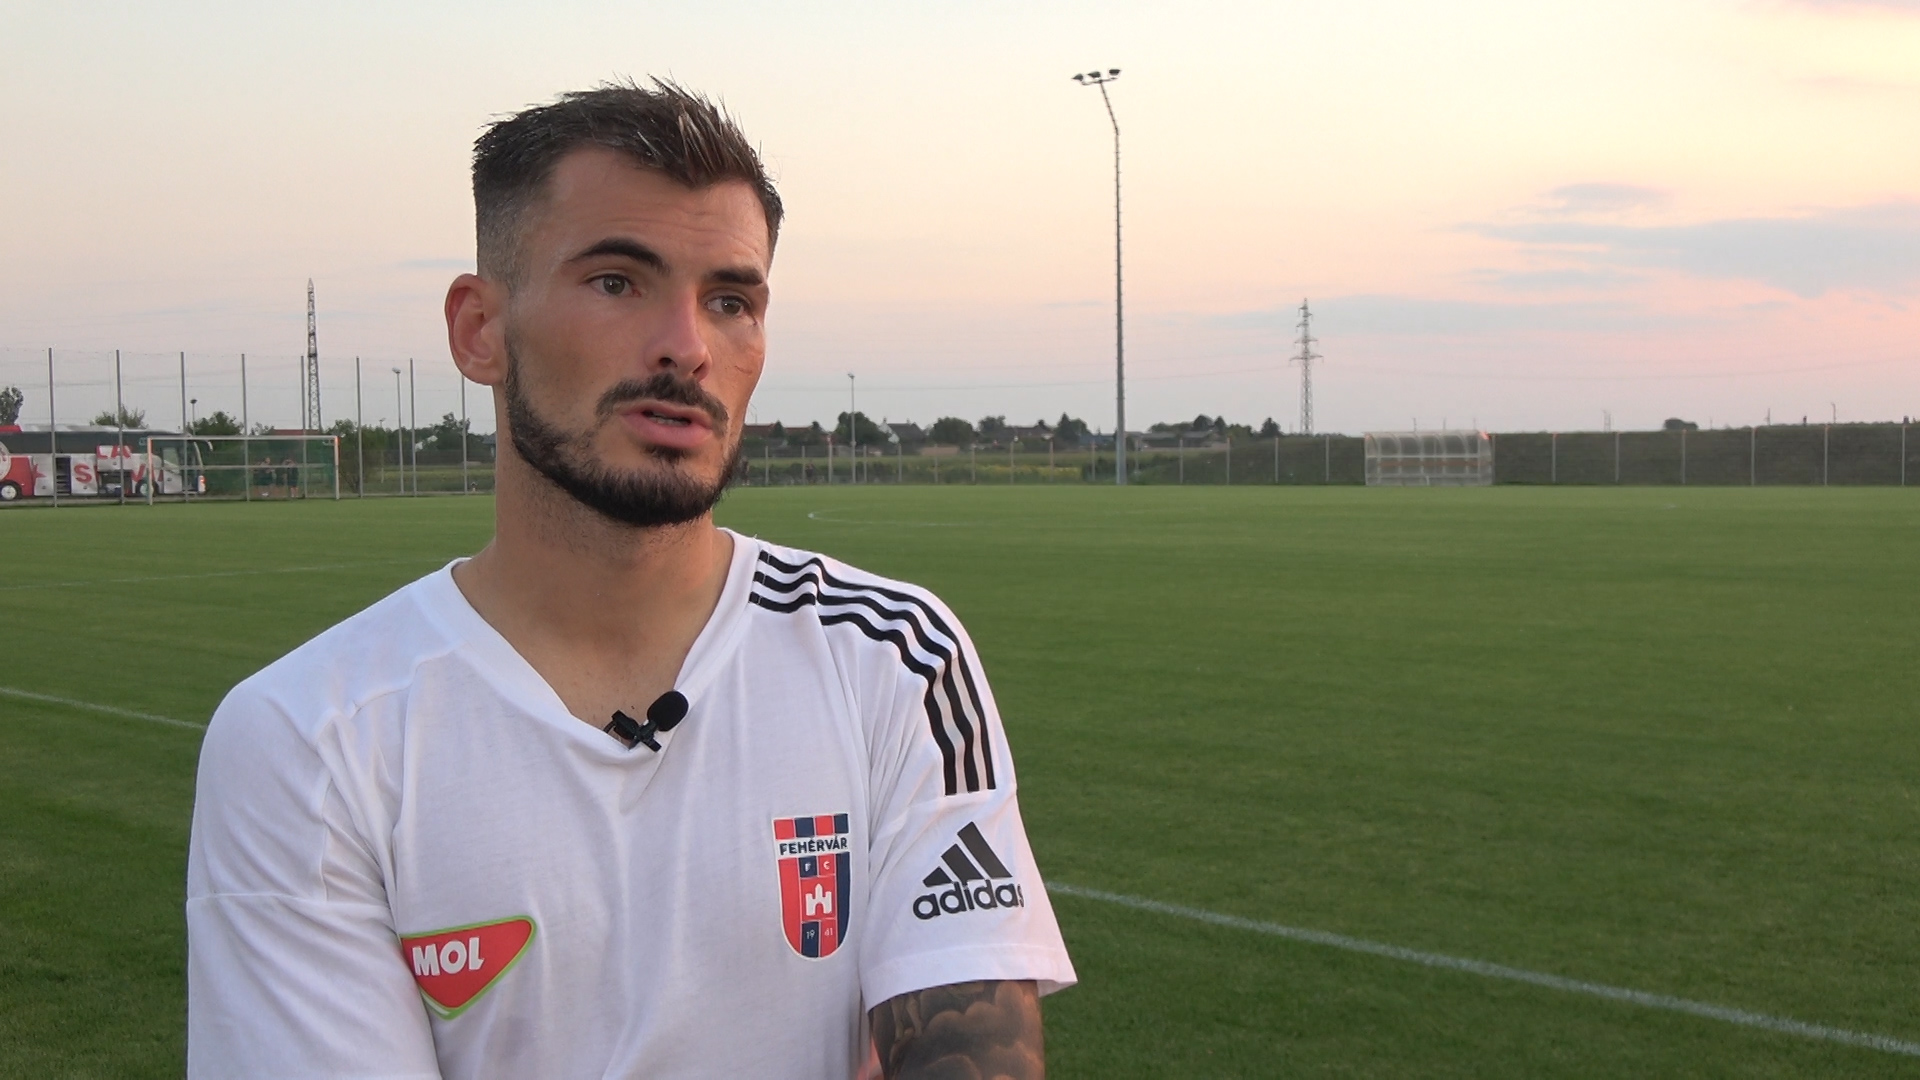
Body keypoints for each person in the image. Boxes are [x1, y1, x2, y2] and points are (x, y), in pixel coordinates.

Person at [186, 80, 1074, 1080]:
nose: (687, 349)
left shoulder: (892, 655)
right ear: (479, 330)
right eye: (617, 282)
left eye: (730, 302)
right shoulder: (309, 736)